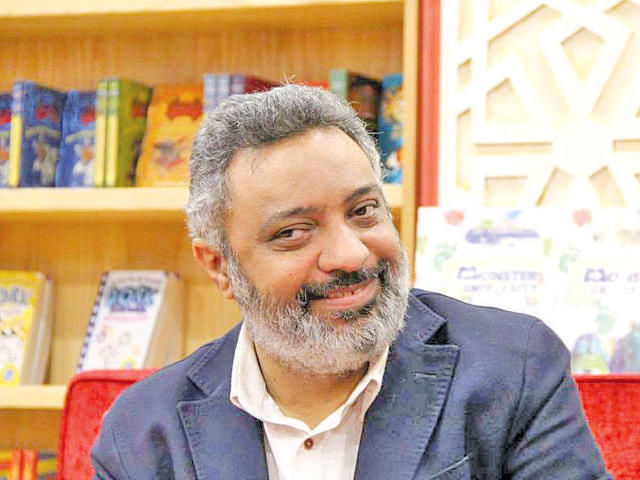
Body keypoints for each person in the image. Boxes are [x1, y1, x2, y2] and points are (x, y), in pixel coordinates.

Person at [91, 84, 610, 479]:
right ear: (219, 266)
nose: (351, 254)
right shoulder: (141, 435)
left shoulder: (514, 369)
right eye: (294, 232)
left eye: (363, 211)